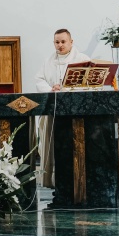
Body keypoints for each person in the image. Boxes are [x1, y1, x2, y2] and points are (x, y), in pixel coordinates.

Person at [34, 29, 90, 191]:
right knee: (54, 148)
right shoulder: (48, 61)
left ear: (71, 42)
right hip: (54, 111)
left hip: (76, 113)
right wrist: (51, 89)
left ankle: (78, 181)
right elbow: (39, 79)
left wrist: (66, 89)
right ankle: (55, 181)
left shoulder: (83, 60)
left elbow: (89, 83)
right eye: (57, 42)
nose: (60, 45)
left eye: (63, 41)